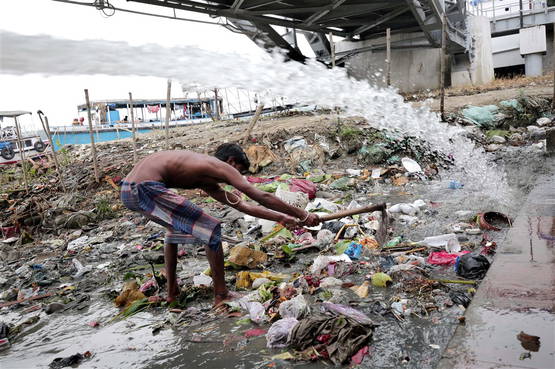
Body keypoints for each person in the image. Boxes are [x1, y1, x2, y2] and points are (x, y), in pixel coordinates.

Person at [120, 143, 320, 306]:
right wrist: (303, 214)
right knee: (211, 228)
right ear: (231, 162)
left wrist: (281, 218)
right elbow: (261, 196)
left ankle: (172, 293)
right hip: (145, 188)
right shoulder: (220, 167)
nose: (235, 178)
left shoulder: (205, 177)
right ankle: (221, 295)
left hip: (128, 192)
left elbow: (242, 205)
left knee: (173, 230)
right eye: (239, 172)